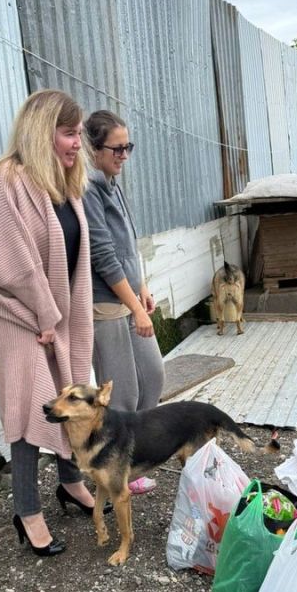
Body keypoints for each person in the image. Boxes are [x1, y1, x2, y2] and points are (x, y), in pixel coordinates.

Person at [0, 89, 106, 557]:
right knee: (29, 409)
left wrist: (57, 318)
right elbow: (10, 264)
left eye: (78, 134)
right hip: (13, 314)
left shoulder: (63, 187)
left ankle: (70, 484)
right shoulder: (7, 179)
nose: (78, 144)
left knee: (68, 390)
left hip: (51, 314)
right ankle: (26, 510)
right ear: (41, 131)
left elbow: (70, 260)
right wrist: (43, 316)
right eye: (69, 133)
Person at [83, 110, 165, 494]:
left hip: (130, 298)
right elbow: (103, 256)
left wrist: (143, 286)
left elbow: (129, 246)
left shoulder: (114, 183)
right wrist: (134, 307)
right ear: (94, 148)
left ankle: (133, 459)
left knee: (153, 377)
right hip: (106, 305)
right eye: (117, 148)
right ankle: (115, 470)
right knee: (122, 396)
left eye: (127, 146)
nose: (124, 155)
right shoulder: (87, 190)